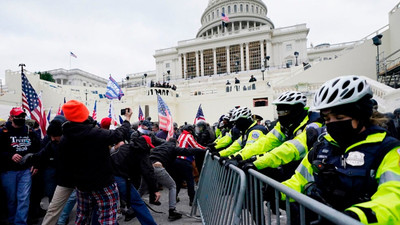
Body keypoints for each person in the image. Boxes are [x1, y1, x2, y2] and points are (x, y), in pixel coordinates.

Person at [282, 76, 400, 224]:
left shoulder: (387, 149)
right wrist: (276, 191)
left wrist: (355, 217)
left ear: (360, 115)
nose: (332, 123)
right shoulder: (322, 146)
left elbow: (393, 198)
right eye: (327, 119)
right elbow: (299, 180)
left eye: (339, 117)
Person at [59, 100, 132, 224]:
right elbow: (118, 134)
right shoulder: (95, 133)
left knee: (82, 217)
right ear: (84, 115)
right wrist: (127, 119)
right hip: (104, 184)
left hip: (82, 185)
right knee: (107, 219)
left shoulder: (65, 138)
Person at [0, 107, 40, 225]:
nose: (21, 119)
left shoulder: (29, 131)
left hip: (25, 171)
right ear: (11, 117)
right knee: (11, 199)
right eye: (18, 116)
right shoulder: (3, 132)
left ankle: (20, 222)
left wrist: (36, 164)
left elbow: (38, 150)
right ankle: (12, 220)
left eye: (23, 116)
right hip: (8, 171)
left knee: (23, 198)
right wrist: (10, 156)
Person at [110, 135, 158, 224]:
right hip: (120, 178)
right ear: (146, 144)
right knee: (138, 203)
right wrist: (155, 190)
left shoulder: (124, 147)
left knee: (105, 205)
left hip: (107, 176)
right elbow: (148, 171)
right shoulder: (141, 152)